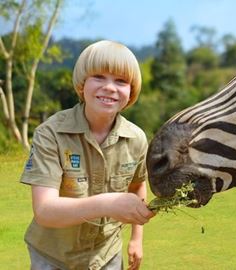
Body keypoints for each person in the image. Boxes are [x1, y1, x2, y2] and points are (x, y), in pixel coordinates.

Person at [20, 40, 155, 270]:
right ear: (82, 85)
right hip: (53, 257)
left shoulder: (137, 138)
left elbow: (136, 187)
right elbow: (44, 211)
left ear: (131, 92)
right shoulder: (50, 133)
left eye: (121, 81)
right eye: (99, 77)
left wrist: (136, 238)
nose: (110, 87)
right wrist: (107, 204)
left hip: (107, 255)